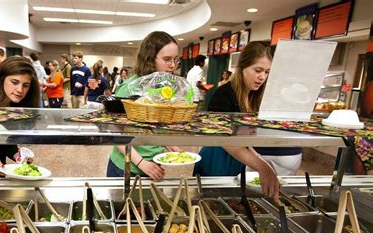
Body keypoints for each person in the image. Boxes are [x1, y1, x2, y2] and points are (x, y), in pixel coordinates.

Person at [194, 41, 296, 201]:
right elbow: (227, 142)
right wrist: (262, 167)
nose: (262, 77)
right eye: (258, 70)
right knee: (213, 204)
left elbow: (244, 139)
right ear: (242, 68)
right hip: (217, 159)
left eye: (267, 72)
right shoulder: (224, 94)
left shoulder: (254, 96)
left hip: (239, 159)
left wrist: (262, 162)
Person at [108, 31, 181, 181]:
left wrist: (167, 143)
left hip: (154, 165)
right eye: (167, 59)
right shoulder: (129, 87)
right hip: (126, 167)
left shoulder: (163, 87)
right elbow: (115, 133)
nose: (172, 65)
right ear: (149, 59)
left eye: (175, 59)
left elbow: (154, 126)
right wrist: (142, 163)